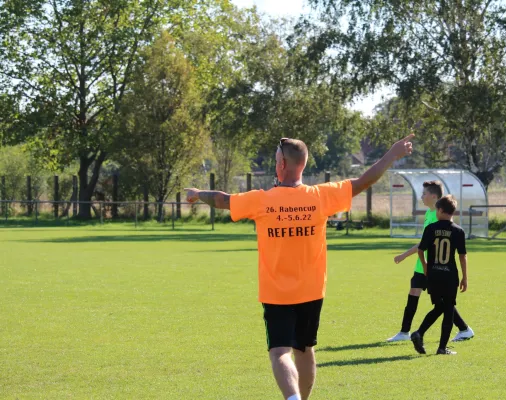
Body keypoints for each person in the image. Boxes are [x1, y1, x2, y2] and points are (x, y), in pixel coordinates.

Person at [185, 134, 414, 400]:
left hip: (276, 292)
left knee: (280, 351)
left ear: (282, 163)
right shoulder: (321, 196)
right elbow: (364, 181)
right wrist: (392, 154)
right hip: (312, 290)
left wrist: (198, 194)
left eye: (274, 160)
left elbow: (223, 200)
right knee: (305, 349)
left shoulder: (262, 199)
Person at [387, 181, 474, 343]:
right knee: (413, 295)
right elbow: (423, 243)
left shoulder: (439, 217)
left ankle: (464, 329)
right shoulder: (429, 213)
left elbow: (424, 244)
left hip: (435, 267)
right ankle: (404, 332)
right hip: (422, 265)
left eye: (424, 193)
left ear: (434, 197)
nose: (422, 196)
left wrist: (404, 255)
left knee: (443, 303)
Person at [410, 195, 469, 355]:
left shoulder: (431, 229)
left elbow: (421, 250)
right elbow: (462, 256)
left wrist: (426, 266)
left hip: (433, 275)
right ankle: (442, 348)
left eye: (436, 209)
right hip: (449, 275)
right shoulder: (458, 231)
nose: (435, 212)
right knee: (448, 309)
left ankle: (419, 333)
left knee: (439, 306)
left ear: (441, 210)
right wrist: (465, 277)